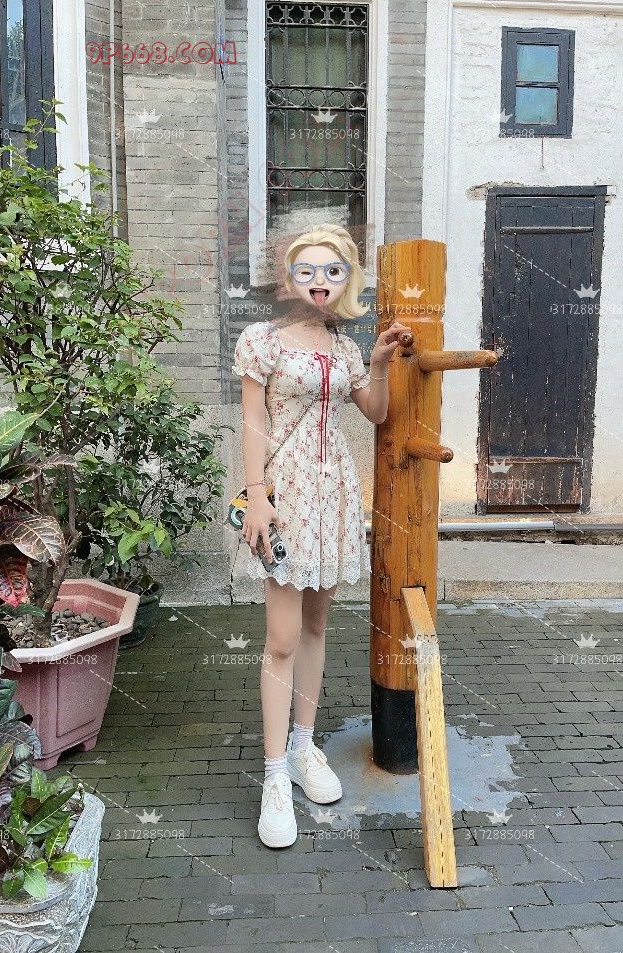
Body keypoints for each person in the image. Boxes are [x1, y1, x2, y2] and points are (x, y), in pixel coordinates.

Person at [231, 223, 411, 847]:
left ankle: (305, 747)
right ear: (288, 278)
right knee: (280, 638)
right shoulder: (263, 341)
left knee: (315, 628)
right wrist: (256, 496)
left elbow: (377, 412)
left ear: (347, 279)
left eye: (332, 271)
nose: (319, 282)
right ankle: (273, 774)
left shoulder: (345, 348)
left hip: (333, 499)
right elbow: (253, 420)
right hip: (285, 498)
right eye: (306, 270)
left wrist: (379, 364)